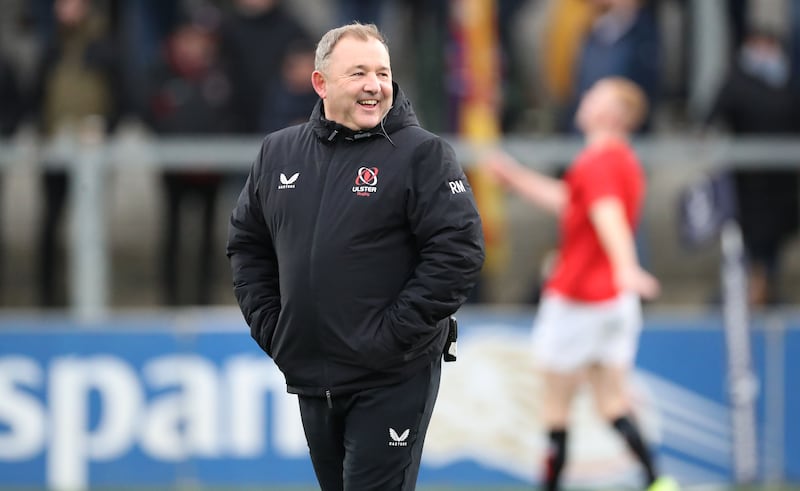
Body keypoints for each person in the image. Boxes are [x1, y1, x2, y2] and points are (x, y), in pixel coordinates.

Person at [226, 22, 485, 491]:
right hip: (313, 373)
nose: (375, 85)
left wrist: (392, 335)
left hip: (393, 374)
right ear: (321, 83)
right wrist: (275, 327)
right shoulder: (278, 153)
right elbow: (248, 245)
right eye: (359, 73)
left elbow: (459, 251)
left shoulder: (423, 154)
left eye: (383, 73)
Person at [485, 77, 677, 491]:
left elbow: (607, 215)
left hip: (576, 299)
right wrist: (517, 178)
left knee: (555, 406)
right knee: (612, 401)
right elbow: (574, 204)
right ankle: (657, 481)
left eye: (595, 95)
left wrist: (626, 264)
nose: (585, 98)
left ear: (612, 114)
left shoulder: (596, 162)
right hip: (614, 303)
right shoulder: (623, 161)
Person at [144, 12, 234, 306]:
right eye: (190, 39)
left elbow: (232, 114)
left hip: (211, 169)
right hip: (173, 167)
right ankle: (169, 298)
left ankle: (203, 298)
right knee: (172, 232)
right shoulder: (163, 71)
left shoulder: (221, 72)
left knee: (209, 236)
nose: (196, 45)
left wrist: (213, 150)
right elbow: (151, 112)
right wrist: (175, 149)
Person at [705, 28, 800, 305]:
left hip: (781, 182)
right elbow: (711, 118)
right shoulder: (736, 82)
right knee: (747, 241)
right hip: (746, 183)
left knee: (773, 241)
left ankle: (767, 289)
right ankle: (744, 292)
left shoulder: (789, 82)